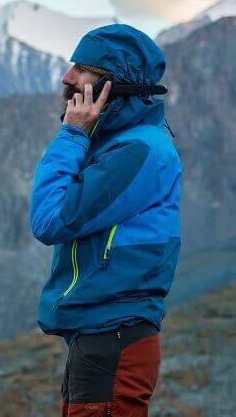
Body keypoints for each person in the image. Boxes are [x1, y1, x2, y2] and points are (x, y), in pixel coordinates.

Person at [29, 23, 183, 416]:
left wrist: (71, 134)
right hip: (101, 338)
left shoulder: (137, 151)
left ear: (111, 86)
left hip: (112, 338)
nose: (67, 77)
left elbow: (49, 220)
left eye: (82, 68)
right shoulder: (121, 143)